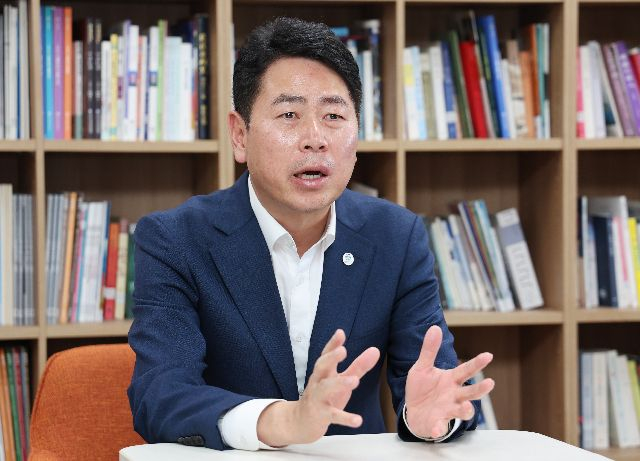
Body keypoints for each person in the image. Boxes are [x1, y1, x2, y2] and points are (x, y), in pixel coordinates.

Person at [127, 17, 494, 451]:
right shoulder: (175, 239)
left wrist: (429, 419)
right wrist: (282, 421)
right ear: (240, 135)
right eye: (289, 115)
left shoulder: (396, 236)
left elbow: (433, 381)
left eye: (333, 116)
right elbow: (160, 396)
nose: (315, 139)